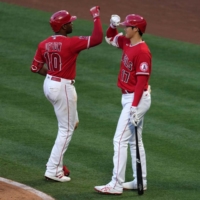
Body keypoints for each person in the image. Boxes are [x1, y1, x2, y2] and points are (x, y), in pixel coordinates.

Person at [30, 6, 103, 182]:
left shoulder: (44, 43)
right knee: (66, 129)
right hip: (63, 88)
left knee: (72, 122)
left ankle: (58, 163)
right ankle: (53, 169)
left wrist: (52, 75)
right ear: (63, 27)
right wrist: (96, 17)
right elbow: (97, 38)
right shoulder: (70, 43)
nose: (72, 24)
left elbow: (35, 68)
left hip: (49, 85)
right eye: (70, 22)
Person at [94, 14, 152, 194]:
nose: (124, 28)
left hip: (136, 98)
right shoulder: (127, 42)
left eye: (127, 26)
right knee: (135, 142)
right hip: (129, 98)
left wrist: (134, 107)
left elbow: (142, 81)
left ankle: (116, 184)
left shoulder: (143, 52)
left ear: (136, 30)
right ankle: (140, 181)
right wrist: (111, 25)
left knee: (119, 140)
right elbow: (110, 38)